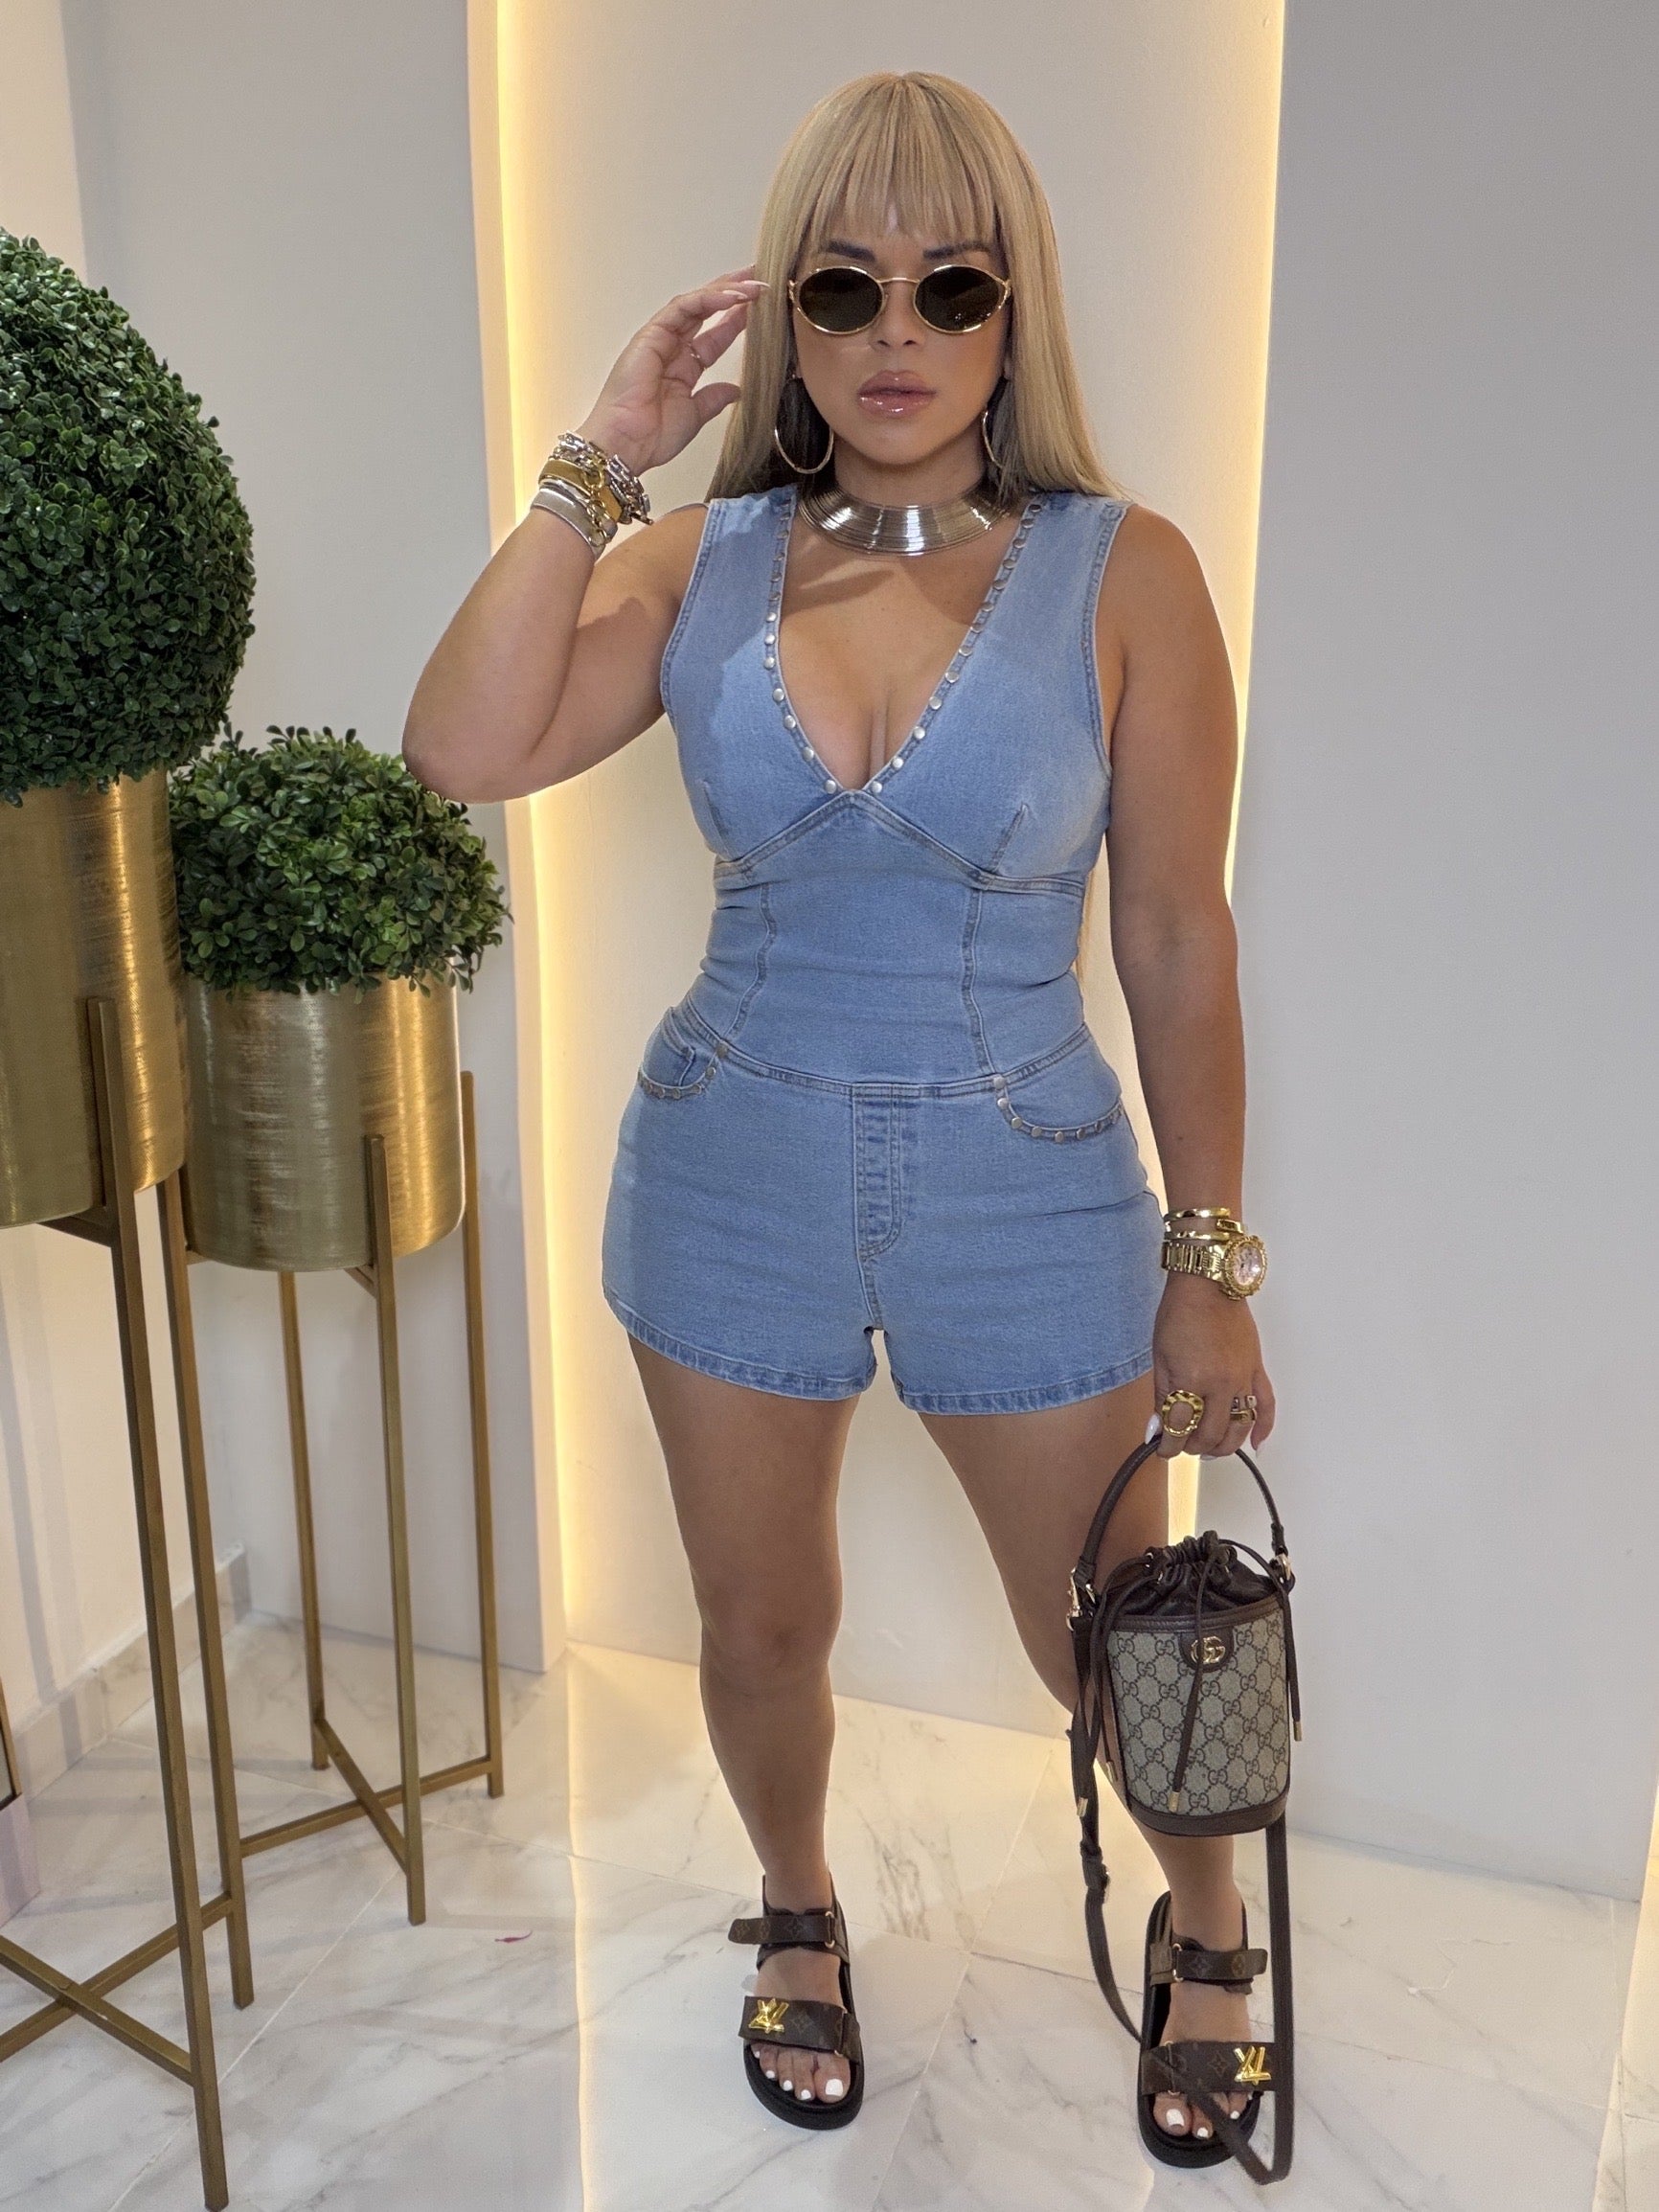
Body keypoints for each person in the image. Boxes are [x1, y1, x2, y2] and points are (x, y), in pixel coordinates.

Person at [403, 68, 1274, 2160]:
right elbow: (464, 745)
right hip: (730, 1167)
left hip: (1025, 1182)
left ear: (1009, 312)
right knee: (761, 1619)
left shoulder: (1125, 572)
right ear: (785, 317)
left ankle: (1209, 1921)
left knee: (1108, 1636)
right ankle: (795, 1905)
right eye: (843, 285)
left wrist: (1208, 1262)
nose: (897, 332)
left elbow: (1173, 936)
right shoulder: (695, 557)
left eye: (948, 285)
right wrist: (597, 459)